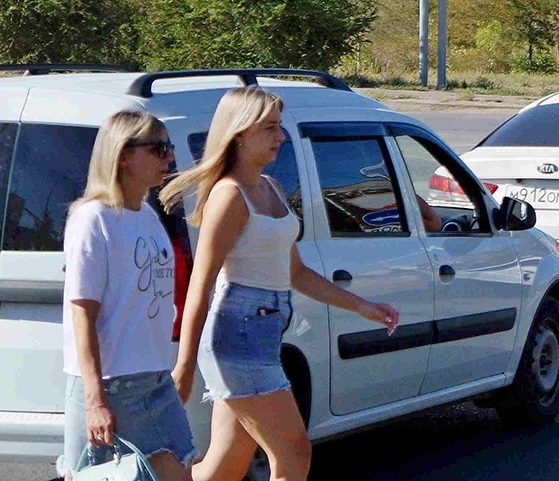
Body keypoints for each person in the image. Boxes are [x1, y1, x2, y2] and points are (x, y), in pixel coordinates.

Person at [163, 87, 400, 481]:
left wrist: (362, 306)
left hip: (264, 333)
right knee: (294, 454)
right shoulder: (229, 196)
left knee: (224, 468)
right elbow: (201, 285)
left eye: (280, 127)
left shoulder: (270, 188)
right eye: (270, 128)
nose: (281, 137)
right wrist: (185, 367)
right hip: (236, 336)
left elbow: (296, 273)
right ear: (239, 133)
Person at [60, 109, 195, 481]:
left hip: (154, 378)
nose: (169, 157)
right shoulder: (93, 219)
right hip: (110, 386)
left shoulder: (147, 215)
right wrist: (94, 401)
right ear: (122, 155)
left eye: (168, 147)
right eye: (158, 148)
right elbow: (82, 313)